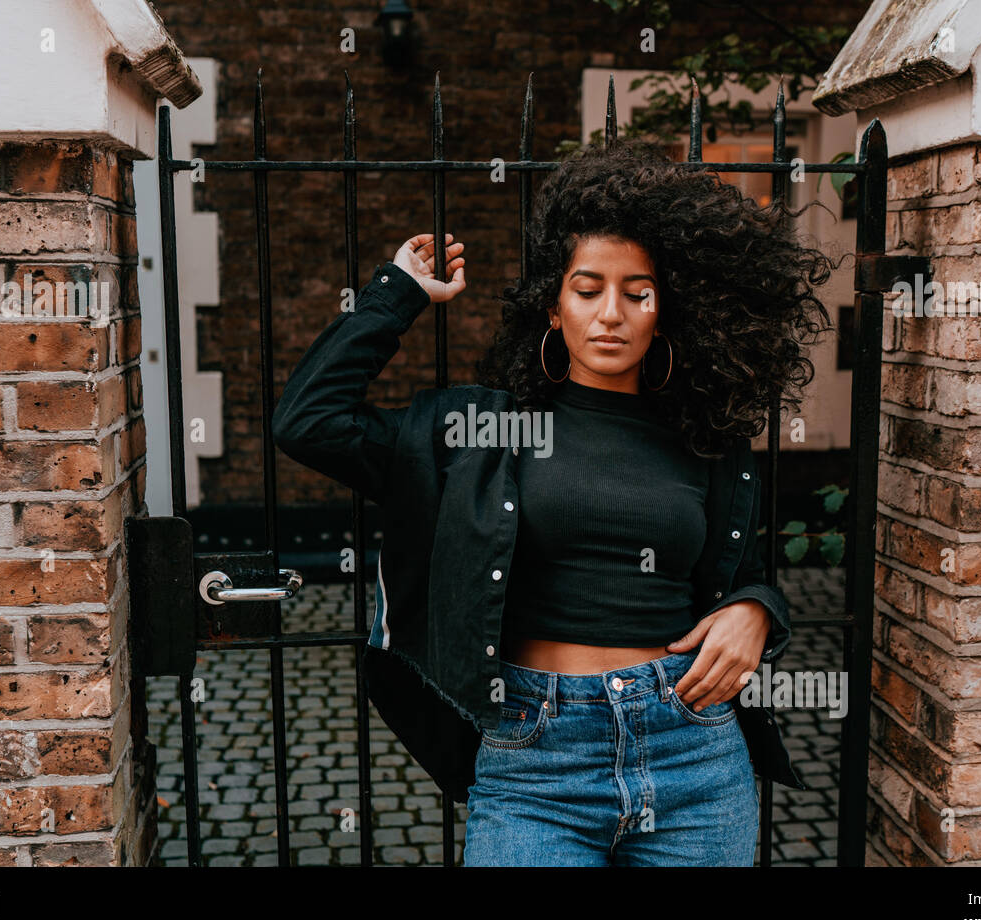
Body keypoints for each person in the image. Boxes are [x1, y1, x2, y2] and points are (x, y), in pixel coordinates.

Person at [274, 138, 835, 866]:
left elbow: (740, 572)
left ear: (664, 311)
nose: (611, 313)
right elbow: (307, 422)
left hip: (693, 750)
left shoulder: (707, 442)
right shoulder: (485, 431)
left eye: (637, 292)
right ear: (552, 305)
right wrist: (399, 292)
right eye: (587, 287)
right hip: (535, 759)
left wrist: (758, 609)